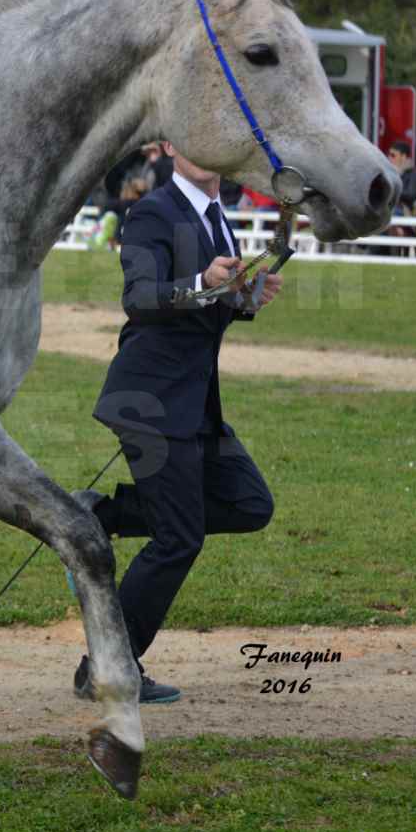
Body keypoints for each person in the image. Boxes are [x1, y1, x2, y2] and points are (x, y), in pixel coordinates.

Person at [75, 143, 282, 704]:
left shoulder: (218, 219)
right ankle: (106, 668)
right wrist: (203, 283)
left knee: (250, 505)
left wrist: (244, 298)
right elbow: (140, 299)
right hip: (149, 400)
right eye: (191, 139)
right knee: (178, 539)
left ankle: (101, 514)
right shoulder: (152, 212)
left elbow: (206, 309)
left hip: (195, 404)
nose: (204, 151)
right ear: (168, 147)